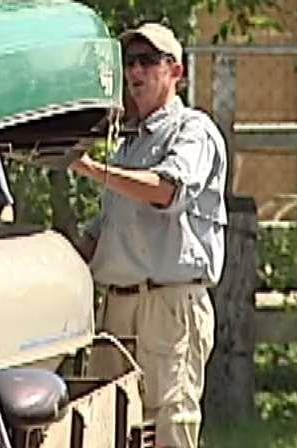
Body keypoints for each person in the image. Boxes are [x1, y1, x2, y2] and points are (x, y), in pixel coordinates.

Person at [71, 22, 227, 448]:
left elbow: (166, 190)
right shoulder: (129, 144)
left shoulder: (193, 130)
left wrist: (87, 167)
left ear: (176, 71)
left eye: (148, 61)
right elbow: (108, 229)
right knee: (109, 429)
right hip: (117, 308)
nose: (135, 71)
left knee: (166, 431)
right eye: (129, 62)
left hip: (168, 306)